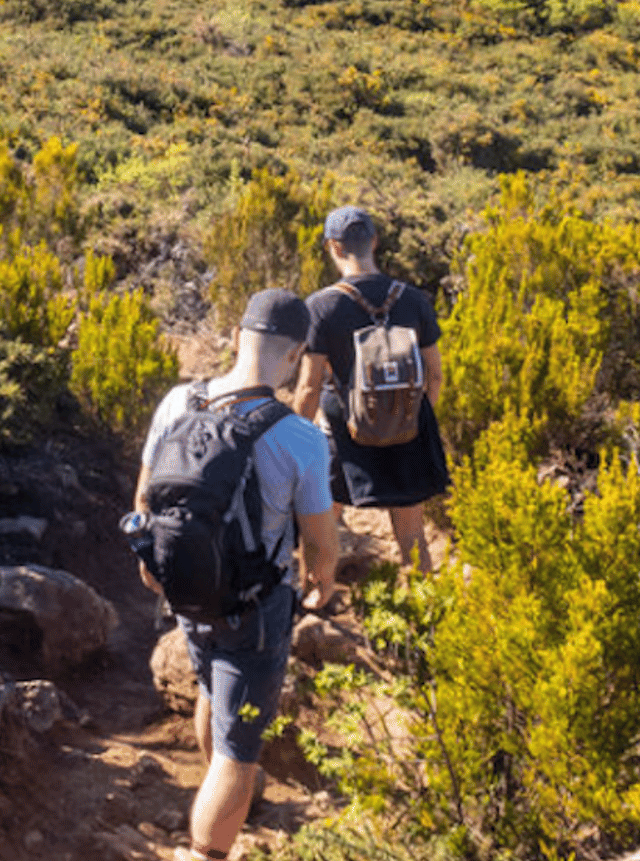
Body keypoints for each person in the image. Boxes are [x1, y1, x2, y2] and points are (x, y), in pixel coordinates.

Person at [133, 288, 340, 861]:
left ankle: (215, 794)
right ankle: (208, 849)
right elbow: (320, 541)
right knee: (238, 753)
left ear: (234, 338)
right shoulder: (300, 438)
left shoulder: (177, 403)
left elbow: (144, 502)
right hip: (255, 606)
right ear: (297, 354)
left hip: (186, 590)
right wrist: (321, 582)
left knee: (210, 686)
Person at [294, 206, 450, 573]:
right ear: (375, 242)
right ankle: (424, 613)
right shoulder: (414, 300)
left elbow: (308, 387)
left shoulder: (321, 306)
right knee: (412, 534)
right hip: (406, 427)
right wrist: (409, 417)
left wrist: (297, 443)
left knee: (320, 523)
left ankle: (314, 603)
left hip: (343, 429)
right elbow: (435, 375)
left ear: (333, 247)